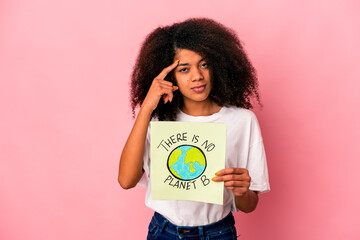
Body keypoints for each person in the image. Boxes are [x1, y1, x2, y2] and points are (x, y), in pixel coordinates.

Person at [118, 18, 270, 239]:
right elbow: (126, 180)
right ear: (170, 75)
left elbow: (248, 205)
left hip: (219, 232)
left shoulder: (243, 121)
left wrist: (242, 191)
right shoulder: (157, 120)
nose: (197, 75)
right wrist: (147, 108)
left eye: (204, 64)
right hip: (163, 232)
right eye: (184, 69)